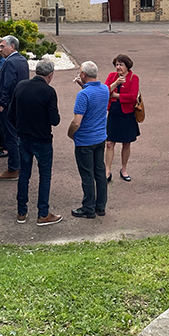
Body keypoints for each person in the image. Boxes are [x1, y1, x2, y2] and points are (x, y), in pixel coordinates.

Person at [9, 60, 63, 226]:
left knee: (24, 174)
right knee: (44, 176)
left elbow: (11, 113)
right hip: (42, 139)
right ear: (50, 75)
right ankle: (43, 213)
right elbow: (54, 120)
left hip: (23, 137)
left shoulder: (21, 86)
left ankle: (21, 212)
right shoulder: (48, 92)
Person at [68, 61, 109, 218]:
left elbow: (76, 121)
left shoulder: (83, 95)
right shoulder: (104, 89)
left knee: (87, 175)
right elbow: (94, 97)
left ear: (83, 74)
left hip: (85, 140)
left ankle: (88, 208)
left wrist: (71, 133)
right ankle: (101, 206)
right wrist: (82, 85)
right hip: (100, 137)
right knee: (99, 172)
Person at [0, 35, 29, 180]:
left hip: (9, 105)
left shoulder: (10, 62)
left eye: (2, 46)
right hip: (20, 103)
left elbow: (9, 84)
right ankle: (21, 164)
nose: (0, 49)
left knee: (11, 136)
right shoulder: (21, 60)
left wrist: (3, 103)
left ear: (12, 46)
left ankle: (14, 168)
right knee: (18, 135)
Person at [104, 54, 140, 182]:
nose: (118, 67)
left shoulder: (133, 78)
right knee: (109, 143)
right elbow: (104, 91)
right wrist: (115, 83)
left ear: (127, 66)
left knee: (126, 143)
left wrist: (116, 95)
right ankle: (107, 170)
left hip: (127, 113)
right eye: (117, 64)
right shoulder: (111, 76)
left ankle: (123, 169)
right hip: (113, 112)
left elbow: (132, 96)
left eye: (121, 64)